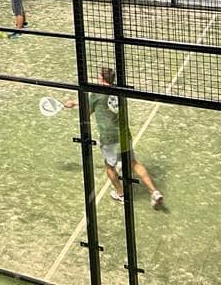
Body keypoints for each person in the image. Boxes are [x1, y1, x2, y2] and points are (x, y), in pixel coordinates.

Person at [67, 67, 164, 209]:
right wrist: (76, 103)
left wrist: (73, 105)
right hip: (124, 134)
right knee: (133, 163)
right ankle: (154, 192)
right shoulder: (119, 92)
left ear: (101, 78)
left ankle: (121, 194)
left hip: (109, 138)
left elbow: (87, 112)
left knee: (109, 167)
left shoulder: (96, 93)